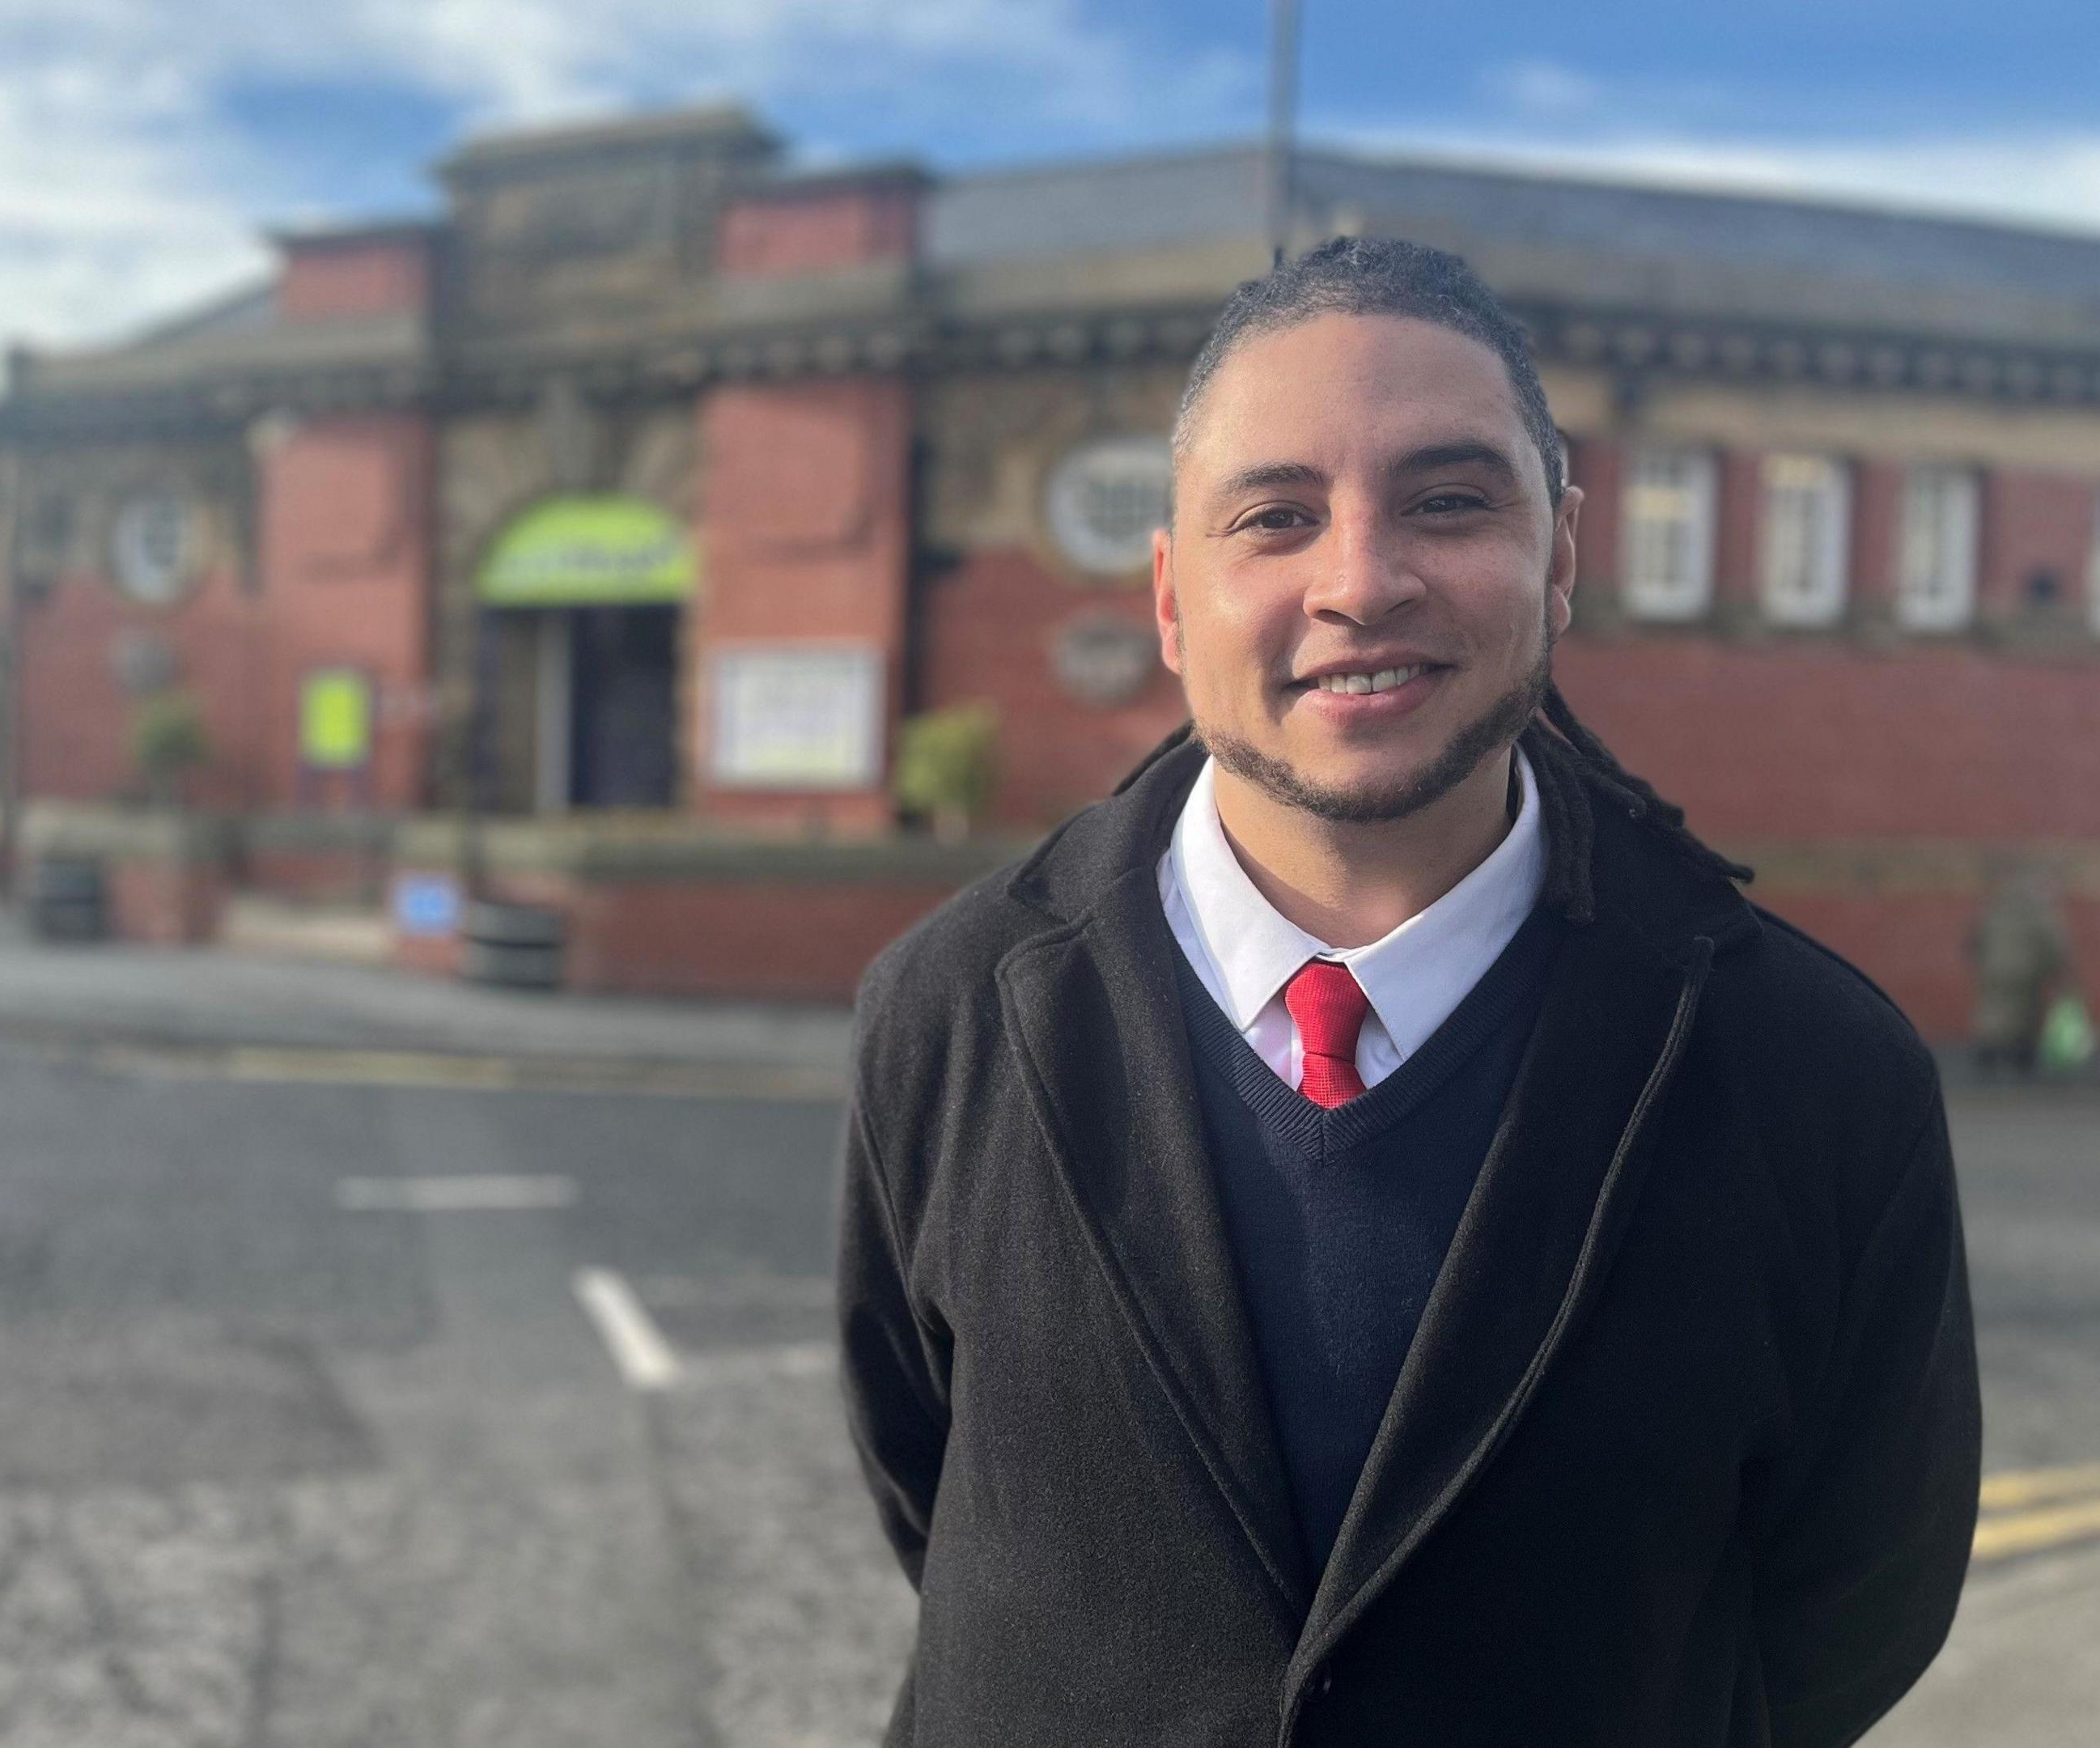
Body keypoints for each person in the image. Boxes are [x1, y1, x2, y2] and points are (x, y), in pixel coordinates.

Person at [837, 238, 1978, 1746]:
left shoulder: (1820, 1071)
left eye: (1448, 502)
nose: (1361, 581)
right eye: (1276, 516)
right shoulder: (950, 1006)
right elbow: (928, 1485)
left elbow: (1852, 1607)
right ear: (1175, 600)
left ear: (1561, 559)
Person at [1966, 865, 2071, 1080]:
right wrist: (2056, 971)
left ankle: (1989, 1055)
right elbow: (2053, 944)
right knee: (2025, 1013)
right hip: (2026, 972)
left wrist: (1981, 962)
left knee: (1992, 1011)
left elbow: (1976, 937)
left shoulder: (1997, 909)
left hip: (1994, 969)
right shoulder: (2038, 911)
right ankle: (2022, 1061)